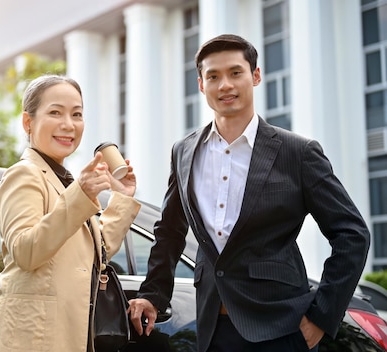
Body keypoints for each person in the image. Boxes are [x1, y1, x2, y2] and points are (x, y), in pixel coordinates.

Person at [127, 34, 370, 352]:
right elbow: (170, 232)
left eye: (235, 72)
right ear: (201, 85)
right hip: (211, 325)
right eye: (213, 76)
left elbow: (352, 234)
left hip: (281, 328)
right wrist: (152, 293)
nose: (224, 84)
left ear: (255, 76)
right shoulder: (183, 151)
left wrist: (322, 317)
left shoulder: (298, 152)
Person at [0, 74, 141, 352]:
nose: (68, 124)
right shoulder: (23, 174)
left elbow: (95, 252)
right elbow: (26, 251)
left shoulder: (64, 180)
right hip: (28, 340)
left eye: (77, 114)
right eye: (55, 112)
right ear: (28, 122)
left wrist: (121, 199)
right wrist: (81, 194)